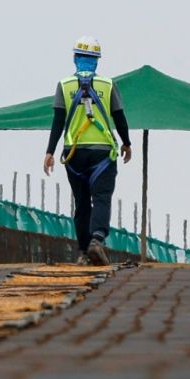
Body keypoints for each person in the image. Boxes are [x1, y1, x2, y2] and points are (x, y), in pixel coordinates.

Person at [43, 36, 132, 266]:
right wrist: (126, 143)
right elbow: (119, 117)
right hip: (102, 153)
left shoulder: (64, 85)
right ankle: (97, 239)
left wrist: (50, 152)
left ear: (75, 58)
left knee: (82, 203)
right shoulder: (108, 85)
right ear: (97, 61)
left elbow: (58, 121)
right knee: (101, 198)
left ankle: (83, 252)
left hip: (74, 154)